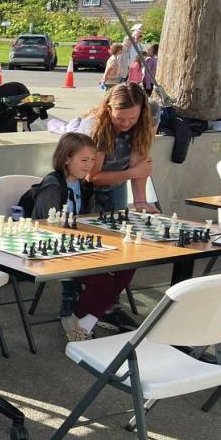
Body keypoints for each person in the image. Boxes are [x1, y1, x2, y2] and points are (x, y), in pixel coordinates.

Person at [28, 133, 138, 340]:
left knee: (127, 265)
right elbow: (47, 227)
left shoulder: (85, 185)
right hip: (56, 249)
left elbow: (91, 220)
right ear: (67, 158)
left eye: (93, 160)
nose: (89, 166)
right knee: (104, 281)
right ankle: (76, 319)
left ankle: (82, 320)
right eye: (84, 160)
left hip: (82, 246)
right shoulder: (52, 186)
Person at [79, 82, 156, 213]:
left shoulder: (147, 119)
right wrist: (132, 173)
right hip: (85, 189)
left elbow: (139, 163)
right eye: (119, 118)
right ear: (109, 110)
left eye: (132, 118)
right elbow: (91, 177)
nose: (126, 123)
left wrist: (141, 202)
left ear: (142, 111)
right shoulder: (94, 127)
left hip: (117, 185)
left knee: (119, 225)